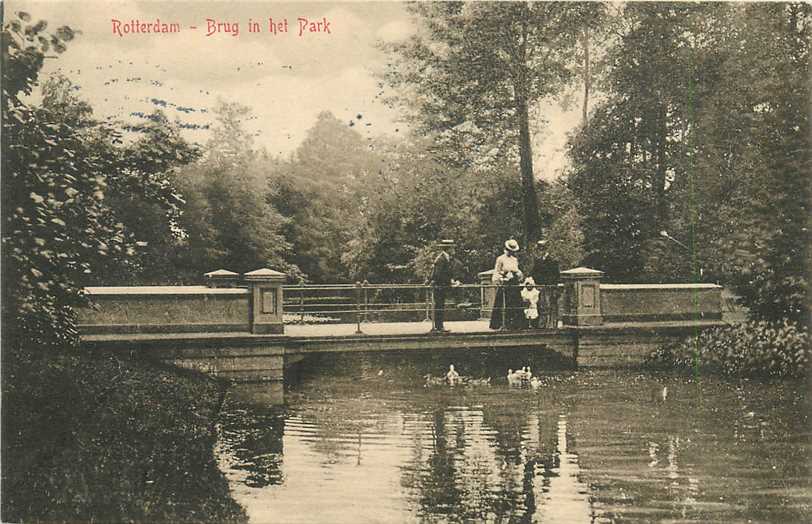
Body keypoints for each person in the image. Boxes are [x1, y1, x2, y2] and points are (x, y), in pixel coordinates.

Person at [489, 239, 524, 330]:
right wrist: (501, 279)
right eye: (509, 250)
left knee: (516, 303)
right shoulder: (500, 259)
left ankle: (516, 324)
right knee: (503, 303)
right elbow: (497, 271)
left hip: (514, 283)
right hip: (505, 283)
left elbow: (517, 270)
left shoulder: (515, 259)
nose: (510, 252)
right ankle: (501, 324)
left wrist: (518, 274)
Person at [427, 239, 459, 333]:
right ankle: (438, 327)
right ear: (448, 249)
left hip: (441, 286)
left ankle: (439, 326)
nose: (454, 250)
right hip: (439, 286)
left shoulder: (445, 258)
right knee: (439, 306)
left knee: (440, 306)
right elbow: (438, 274)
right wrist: (450, 282)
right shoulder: (441, 259)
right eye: (453, 248)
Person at [531, 240, 560, 328]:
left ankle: (550, 325)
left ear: (545, 250)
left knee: (548, 306)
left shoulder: (553, 261)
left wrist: (552, 286)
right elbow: (533, 273)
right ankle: (542, 325)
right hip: (539, 287)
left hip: (548, 287)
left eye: (541, 249)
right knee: (540, 305)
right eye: (539, 249)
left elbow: (556, 276)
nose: (540, 251)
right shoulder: (538, 261)